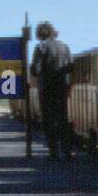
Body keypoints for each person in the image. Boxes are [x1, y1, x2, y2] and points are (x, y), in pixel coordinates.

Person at [31, 21, 76, 159]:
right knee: (63, 119)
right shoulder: (64, 46)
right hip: (61, 87)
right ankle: (67, 151)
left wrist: (35, 71)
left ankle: (53, 152)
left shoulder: (40, 47)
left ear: (39, 33)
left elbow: (36, 69)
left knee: (49, 121)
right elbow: (70, 67)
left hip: (46, 89)